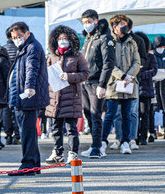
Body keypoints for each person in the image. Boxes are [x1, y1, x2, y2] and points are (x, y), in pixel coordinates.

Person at [8, 22, 49, 175]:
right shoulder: (25, 47)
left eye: (18, 36)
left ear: (27, 33)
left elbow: (32, 69)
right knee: (28, 132)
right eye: (13, 37)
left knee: (27, 133)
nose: (16, 39)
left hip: (28, 97)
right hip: (22, 97)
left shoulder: (32, 47)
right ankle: (34, 164)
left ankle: (28, 165)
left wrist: (29, 87)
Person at [45, 26, 89, 163]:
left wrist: (70, 76)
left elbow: (85, 74)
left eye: (65, 39)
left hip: (71, 97)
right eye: (59, 39)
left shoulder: (77, 56)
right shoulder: (52, 56)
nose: (62, 41)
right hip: (55, 98)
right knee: (56, 128)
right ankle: (57, 152)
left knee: (71, 128)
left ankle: (73, 152)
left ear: (71, 40)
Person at [101, 14, 141, 155]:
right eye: (122, 24)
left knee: (127, 114)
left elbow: (137, 61)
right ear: (115, 27)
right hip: (113, 84)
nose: (125, 26)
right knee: (110, 114)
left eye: (126, 24)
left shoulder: (132, 42)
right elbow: (108, 63)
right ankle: (102, 141)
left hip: (129, 83)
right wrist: (121, 75)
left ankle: (125, 141)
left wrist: (129, 75)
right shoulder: (108, 41)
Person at [79, 10, 115, 159]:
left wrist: (102, 84)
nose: (86, 25)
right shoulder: (89, 38)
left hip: (96, 82)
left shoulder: (105, 38)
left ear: (95, 20)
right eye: (84, 22)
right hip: (84, 82)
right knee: (88, 114)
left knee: (96, 114)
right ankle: (94, 143)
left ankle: (97, 147)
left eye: (89, 21)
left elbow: (109, 63)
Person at [135, 32, 158, 146]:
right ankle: (135, 135)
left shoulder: (150, 57)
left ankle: (143, 136)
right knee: (135, 114)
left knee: (144, 114)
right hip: (133, 88)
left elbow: (154, 71)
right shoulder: (133, 56)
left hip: (145, 89)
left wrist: (140, 75)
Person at [153, 36, 165, 139]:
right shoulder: (152, 56)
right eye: (159, 46)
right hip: (154, 84)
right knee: (154, 108)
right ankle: (153, 130)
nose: (161, 48)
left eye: (162, 46)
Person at [2, 27, 20, 145]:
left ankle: (8, 135)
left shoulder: (2, 49)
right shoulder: (20, 49)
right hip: (17, 83)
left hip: (4, 84)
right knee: (17, 109)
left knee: (6, 110)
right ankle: (17, 135)